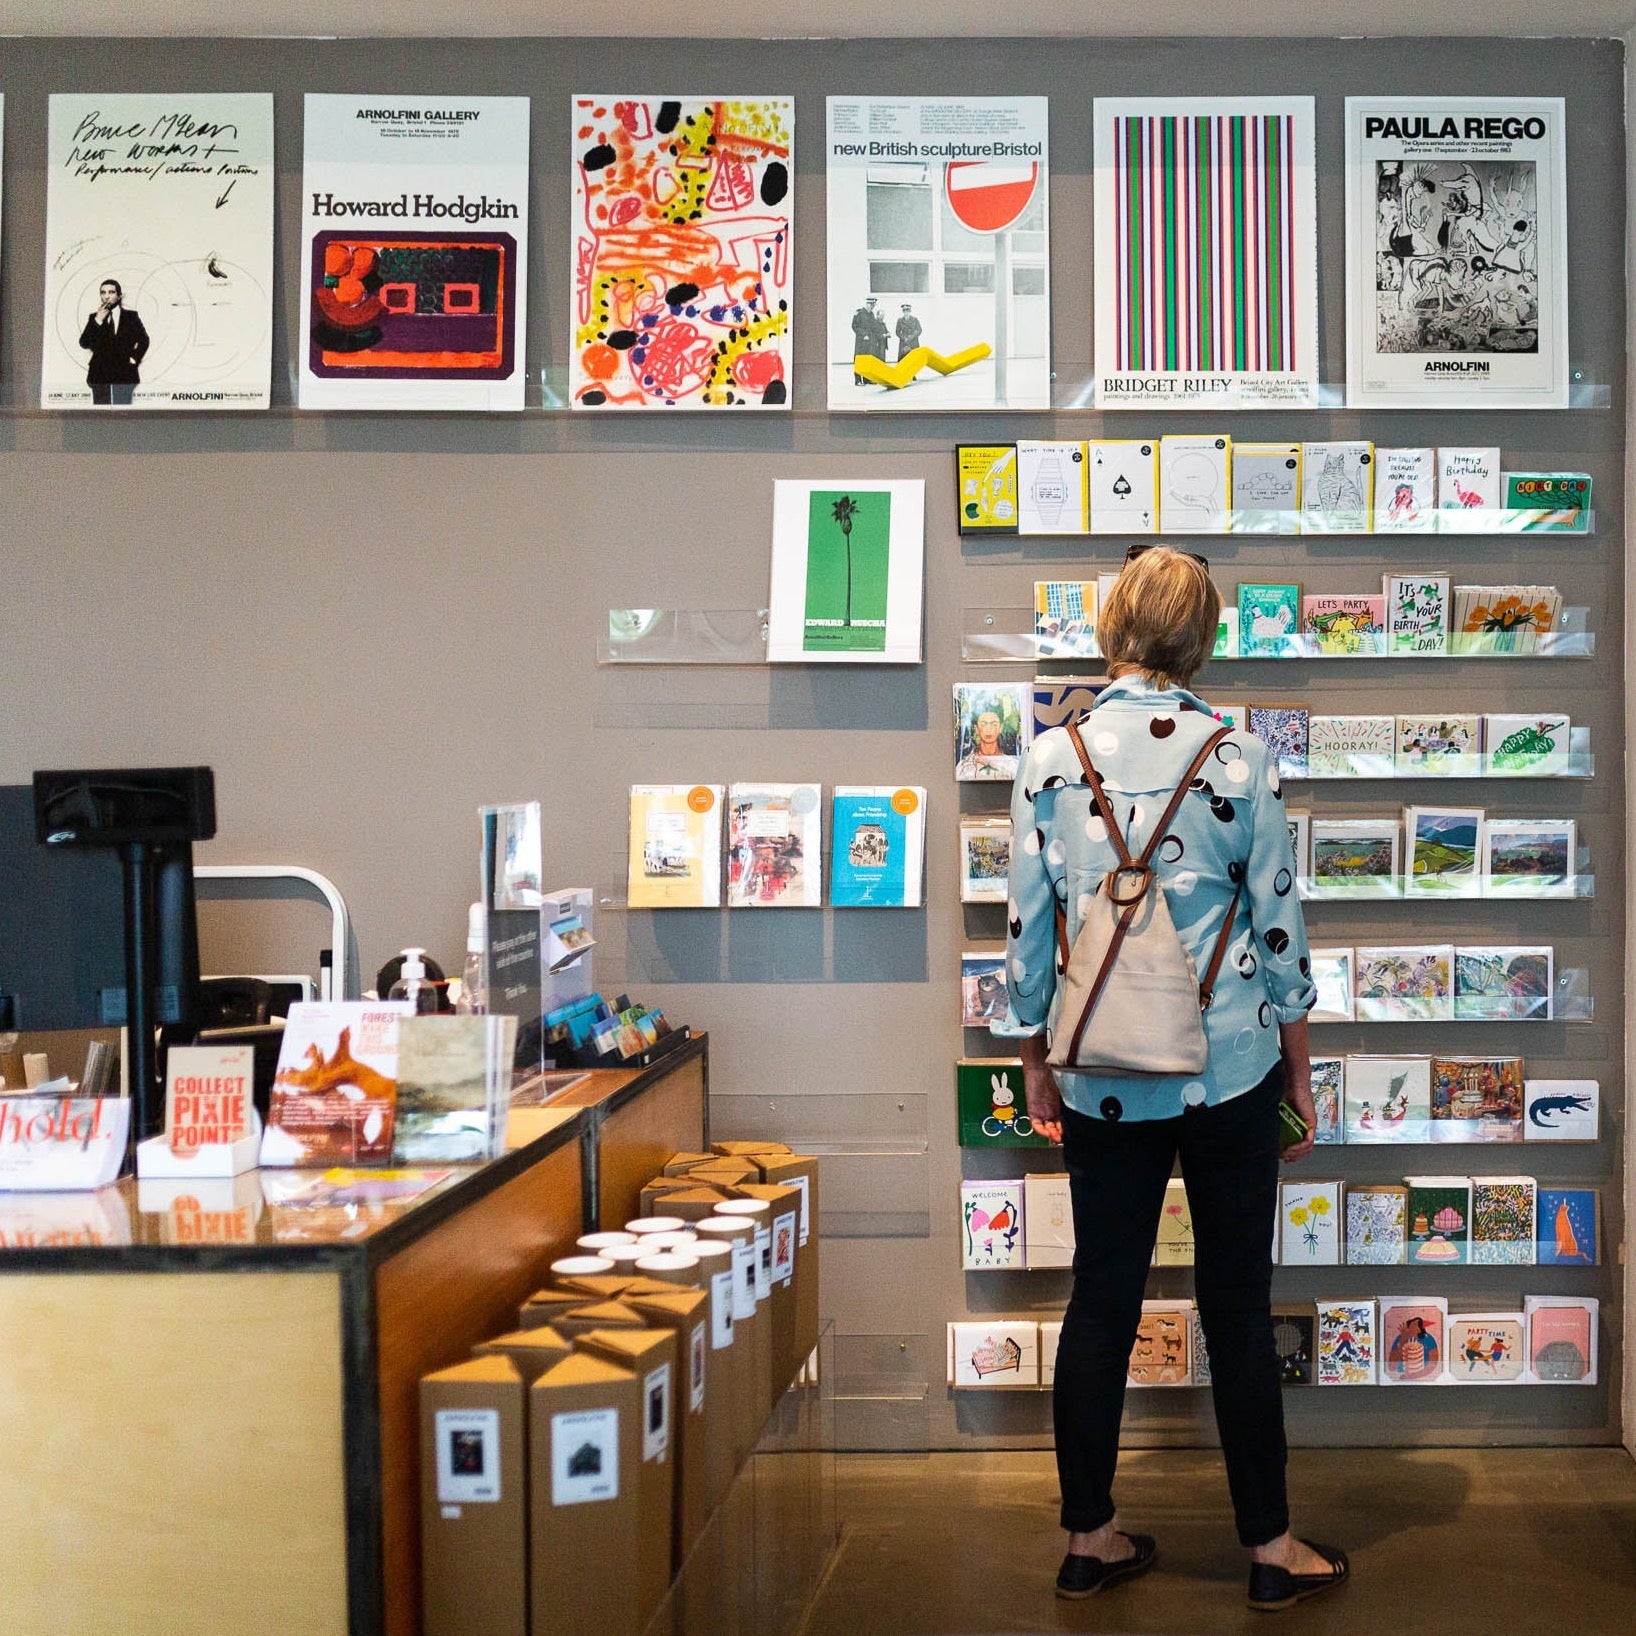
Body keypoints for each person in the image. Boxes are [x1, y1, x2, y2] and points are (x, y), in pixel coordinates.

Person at [996, 545, 1349, 1612]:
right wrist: (1298, 1071)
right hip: (1231, 1068)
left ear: (1114, 627)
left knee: (1098, 1297)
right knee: (1238, 1306)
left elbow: (1026, 933)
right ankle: (1268, 1550)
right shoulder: (1238, 759)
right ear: (1201, 638)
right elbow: (1280, 933)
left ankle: (1087, 1536)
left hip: (1101, 1070)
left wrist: (1034, 1060)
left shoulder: (1050, 759)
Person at [80, 279, 150, 406]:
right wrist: (97, 321)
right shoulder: (94, 317)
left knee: (123, 412)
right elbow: (84, 343)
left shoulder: (131, 316)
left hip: (124, 372)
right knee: (101, 414)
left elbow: (144, 340)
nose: (106, 296)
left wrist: (134, 359)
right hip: (99, 373)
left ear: (119, 295)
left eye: (111, 292)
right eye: (103, 292)